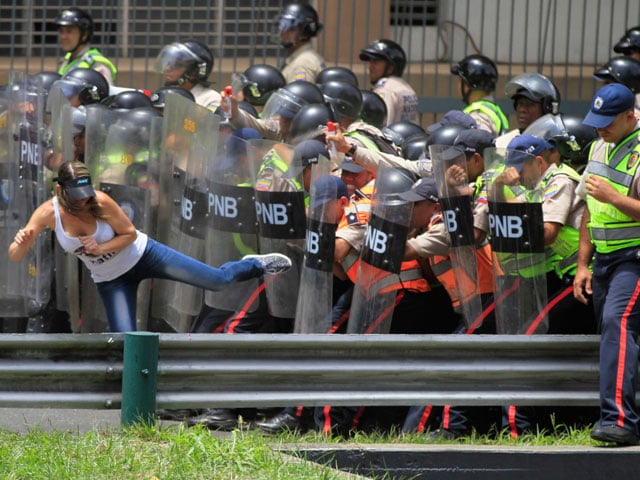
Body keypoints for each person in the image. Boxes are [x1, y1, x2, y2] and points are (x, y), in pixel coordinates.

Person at [8, 161, 293, 333]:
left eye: (86, 194)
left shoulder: (101, 201)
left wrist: (100, 247)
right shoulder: (48, 212)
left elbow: (130, 234)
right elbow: (15, 255)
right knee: (127, 341)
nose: (83, 201)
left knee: (216, 281)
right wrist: (21, 243)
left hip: (144, 255)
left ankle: (254, 264)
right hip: (111, 279)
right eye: (76, 196)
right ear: (60, 190)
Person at [573, 83, 640, 446]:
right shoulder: (600, 144)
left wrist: (615, 197)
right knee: (615, 336)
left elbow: (606, 198)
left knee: (618, 323)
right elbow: (590, 208)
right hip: (603, 260)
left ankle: (619, 422)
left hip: (635, 259)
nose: (600, 128)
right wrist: (583, 264)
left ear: (630, 115)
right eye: (595, 121)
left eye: (608, 122)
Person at [359, 39, 418, 125]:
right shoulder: (405, 87)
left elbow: (384, 124)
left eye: (376, 62)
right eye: (370, 62)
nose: (370, 67)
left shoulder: (386, 90)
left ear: (390, 67)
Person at [450, 54, 510, 136]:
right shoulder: (492, 109)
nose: (458, 85)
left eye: (460, 80)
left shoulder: (478, 115)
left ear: (468, 84)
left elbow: (478, 144)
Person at [497, 72, 560, 148]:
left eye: (530, 104)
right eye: (520, 104)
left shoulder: (556, 145)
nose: (522, 110)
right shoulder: (501, 143)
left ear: (547, 108)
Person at [55, 7, 117, 85]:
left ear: (84, 35)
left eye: (69, 31)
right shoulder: (68, 59)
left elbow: (105, 93)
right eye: (61, 31)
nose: (63, 37)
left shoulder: (96, 63)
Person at [154, 40, 221, 110]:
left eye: (177, 65)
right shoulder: (165, 96)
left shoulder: (210, 99)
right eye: (169, 63)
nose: (167, 69)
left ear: (194, 71)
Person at [275, 2, 326, 83]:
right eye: (282, 26)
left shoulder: (303, 64)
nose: (283, 32)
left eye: (291, 29)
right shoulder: (300, 57)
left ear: (305, 34)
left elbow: (301, 94)